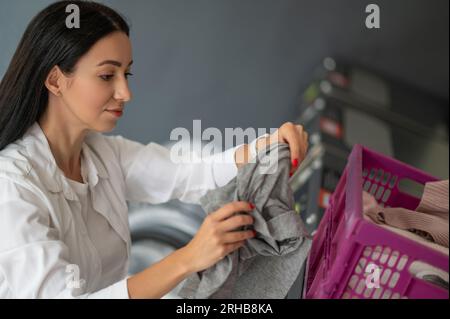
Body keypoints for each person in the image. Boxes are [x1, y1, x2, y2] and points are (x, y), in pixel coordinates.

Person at [0, 1, 308, 299]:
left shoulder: (101, 155)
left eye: (126, 74)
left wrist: (268, 146)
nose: (125, 92)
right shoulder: (12, 187)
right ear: (55, 80)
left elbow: (190, 172)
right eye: (107, 75)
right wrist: (188, 258)